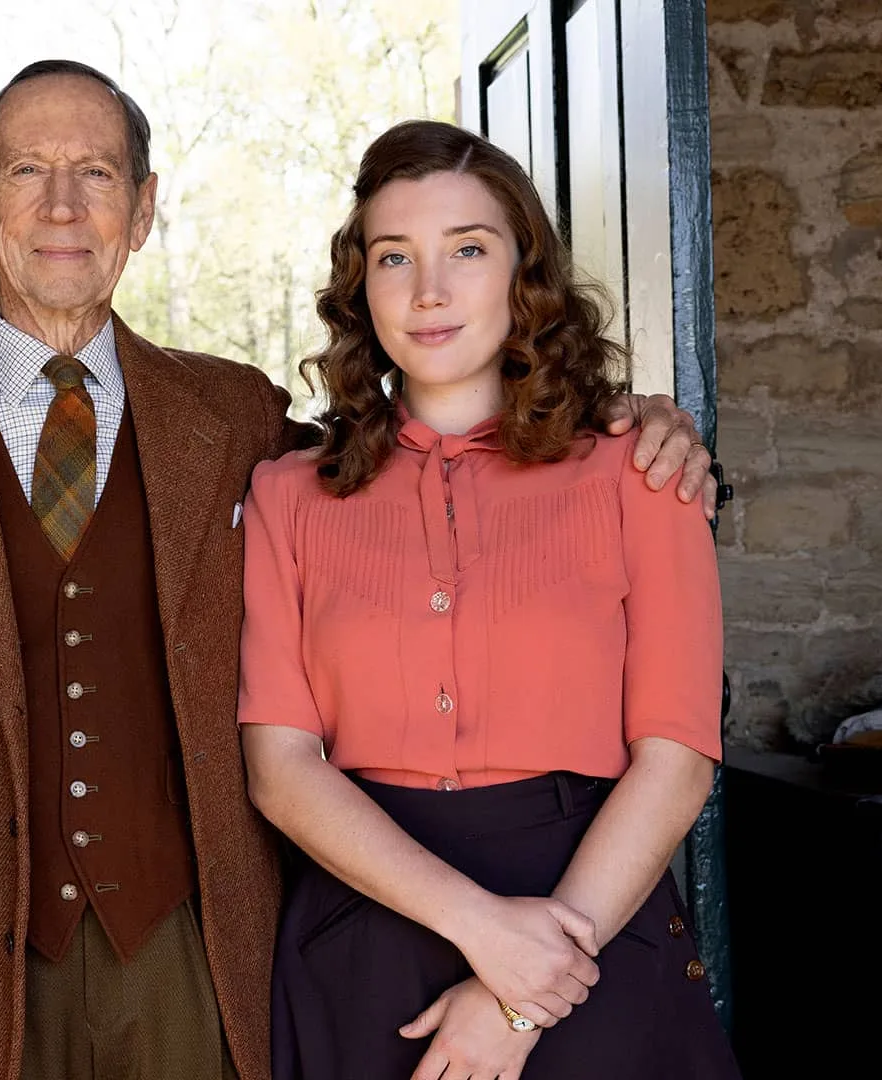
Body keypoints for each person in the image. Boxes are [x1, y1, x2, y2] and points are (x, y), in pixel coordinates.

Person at [0, 62, 714, 1080]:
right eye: (28, 170)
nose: (64, 205)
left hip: (195, 951)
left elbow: (450, 445)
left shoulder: (238, 421)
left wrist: (648, 421)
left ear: (146, 206)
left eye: (99, 174)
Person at [239, 119, 742, 1080]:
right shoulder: (287, 498)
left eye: (468, 249)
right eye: (396, 258)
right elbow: (281, 770)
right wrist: (489, 938)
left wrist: (522, 994)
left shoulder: (642, 474)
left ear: (525, 276)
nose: (429, 291)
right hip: (364, 934)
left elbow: (676, 762)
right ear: (362, 288)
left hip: (593, 921)